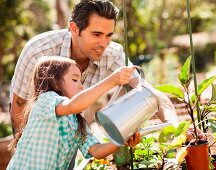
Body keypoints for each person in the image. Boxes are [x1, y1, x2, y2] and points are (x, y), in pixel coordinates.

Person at [10, 0, 178, 135]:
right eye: (97, 34)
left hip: (70, 137)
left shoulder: (112, 54)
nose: (103, 43)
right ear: (74, 29)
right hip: (34, 136)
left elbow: (150, 94)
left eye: (109, 35)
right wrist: (25, 149)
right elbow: (19, 106)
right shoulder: (39, 51)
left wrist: (178, 128)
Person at [7, 57, 141, 169]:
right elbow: (75, 105)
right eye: (75, 80)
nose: (81, 86)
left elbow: (97, 150)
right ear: (55, 82)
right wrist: (112, 81)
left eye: (81, 81)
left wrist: (121, 140)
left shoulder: (75, 120)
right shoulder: (45, 100)